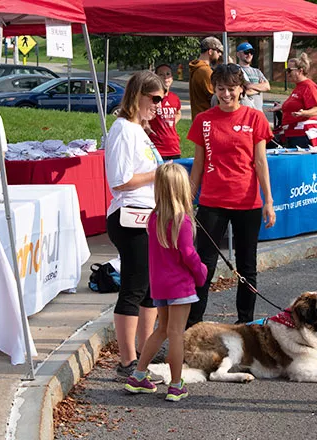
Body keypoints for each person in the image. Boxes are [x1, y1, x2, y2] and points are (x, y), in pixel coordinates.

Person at [187, 63, 276, 327]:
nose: (226, 94)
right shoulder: (204, 120)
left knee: (246, 266)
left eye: (231, 89)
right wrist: (187, 201)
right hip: (212, 203)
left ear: (241, 89)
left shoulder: (254, 118)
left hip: (247, 202)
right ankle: (195, 325)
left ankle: (245, 325)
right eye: (221, 89)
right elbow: (198, 166)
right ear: (214, 88)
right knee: (204, 265)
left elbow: (261, 162)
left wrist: (268, 201)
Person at [125, 163, 207, 401]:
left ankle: (139, 375)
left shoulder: (155, 218)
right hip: (180, 286)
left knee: (161, 330)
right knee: (176, 334)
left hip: (159, 285)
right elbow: (188, 255)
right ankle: (175, 384)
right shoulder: (183, 220)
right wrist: (201, 272)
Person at [105, 71, 166, 378]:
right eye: (155, 98)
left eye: (162, 99)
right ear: (138, 95)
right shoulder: (122, 130)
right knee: (134, 286)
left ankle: (144, 351)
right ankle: (128, 360)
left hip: (146, 215)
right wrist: (160, 175)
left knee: (149, 288)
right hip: (129, 216)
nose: (159, 104)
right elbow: (120, 182)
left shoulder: (139, 129)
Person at [267, 53, 317, 149]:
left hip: (303, 134)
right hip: (292, 133)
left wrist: (303, 113)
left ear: (300, 71)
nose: (287, 73)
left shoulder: (309, 86)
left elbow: (315, 110)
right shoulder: (298, 87)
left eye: (289, 70)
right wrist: (282, 107)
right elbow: (296, 104)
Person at [149, 64, 182, 160]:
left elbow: (178, 113)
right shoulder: (152, 98)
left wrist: (171, 122)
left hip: (174, 147)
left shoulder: (174, 98)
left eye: (168, 74)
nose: (165, 77)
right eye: (161, 75)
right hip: (158, 148)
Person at [189, 36, 224, 120]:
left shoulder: (196, 67)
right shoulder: (205, 71)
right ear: (210, 51)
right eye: (218, 51)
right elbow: (215, 96)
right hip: (207, 118)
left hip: (199, 117)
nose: (220, 55)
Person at [236, 41, 270, 111]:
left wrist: (249, 86)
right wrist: (259, 88)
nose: (249, 55)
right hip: (244, 110)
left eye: (251, 52)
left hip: (258, 111)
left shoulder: (257, 71)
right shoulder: (235, 70)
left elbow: (267, 87)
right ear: (238, 54)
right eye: (246, 52)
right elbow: (240, 91)